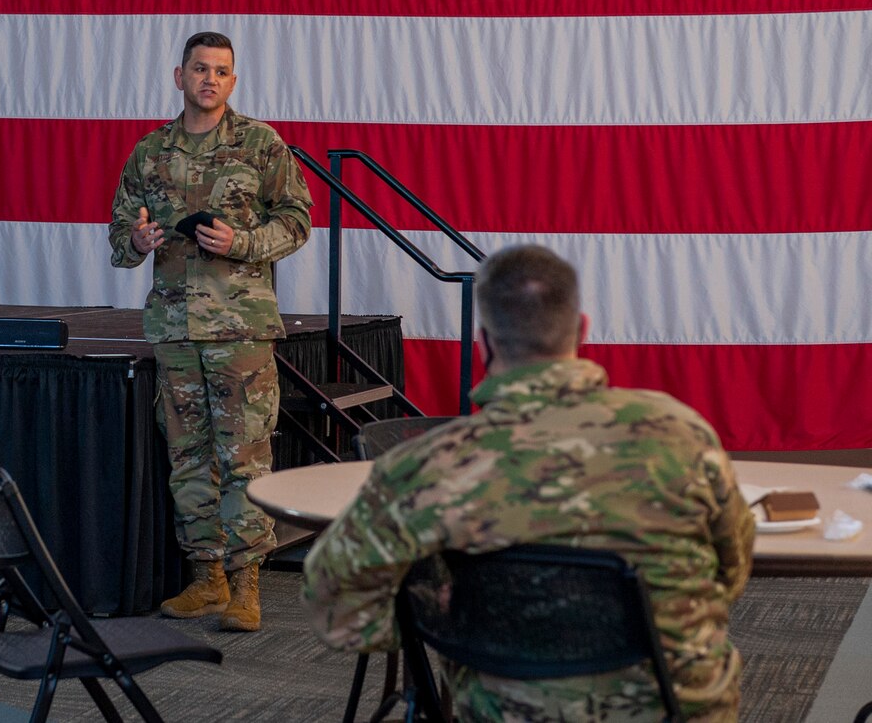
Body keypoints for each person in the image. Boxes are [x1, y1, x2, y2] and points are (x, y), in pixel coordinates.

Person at [303, 245, 755, 720]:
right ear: (581, 329)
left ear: (483, 342)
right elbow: (731, 567)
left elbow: (336, 609)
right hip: (674, 707)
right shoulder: (681, 434)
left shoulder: (426, 466)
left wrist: (442, 620)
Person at [109, 31, 312, 632]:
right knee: (188, 455)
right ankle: (207, 578)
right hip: (174, 329)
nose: (210, 80)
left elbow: (298, 219)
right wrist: (139, 241)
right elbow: (120, 237)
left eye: (222, 71)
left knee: (245, 456)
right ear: (180, 76)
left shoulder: (260, 144)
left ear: (232, 80)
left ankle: (248, 584)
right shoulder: (149, 152)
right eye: (201, 69)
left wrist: (242, 242)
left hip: (240, 329)